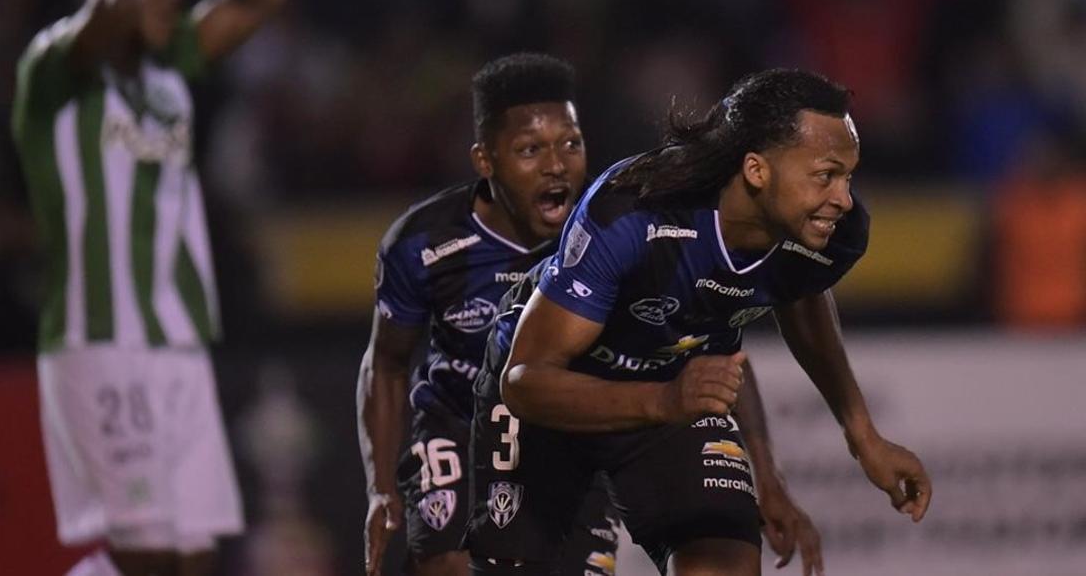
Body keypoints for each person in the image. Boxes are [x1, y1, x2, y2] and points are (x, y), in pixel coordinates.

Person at [357, 55, 821, 576]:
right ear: (485, 160)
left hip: (573, 424)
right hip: (458, 423)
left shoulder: (621, 227)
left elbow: (710, 349)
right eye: (531, 150)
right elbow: (388, 365)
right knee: (449, 566)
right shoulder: (423, 243)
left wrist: (766, 474)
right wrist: (380, 488)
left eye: (571, 144)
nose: (556, 165)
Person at [463, 69, 932, 576]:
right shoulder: (634, 213)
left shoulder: (828, 233)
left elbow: (801, 292)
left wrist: (859, 435)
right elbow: (526, 382)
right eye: (826, 174)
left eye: (849, 177)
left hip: (671, 392)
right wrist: (666, 399)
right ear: (756, 170)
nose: (843, 198)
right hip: (559, 398)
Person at [11, 0, 291, 576]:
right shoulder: (53, 69)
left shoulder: (169, 71)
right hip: (101, 338)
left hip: (180, 340)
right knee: (148, 559)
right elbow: (101, 13)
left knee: (195, 559)